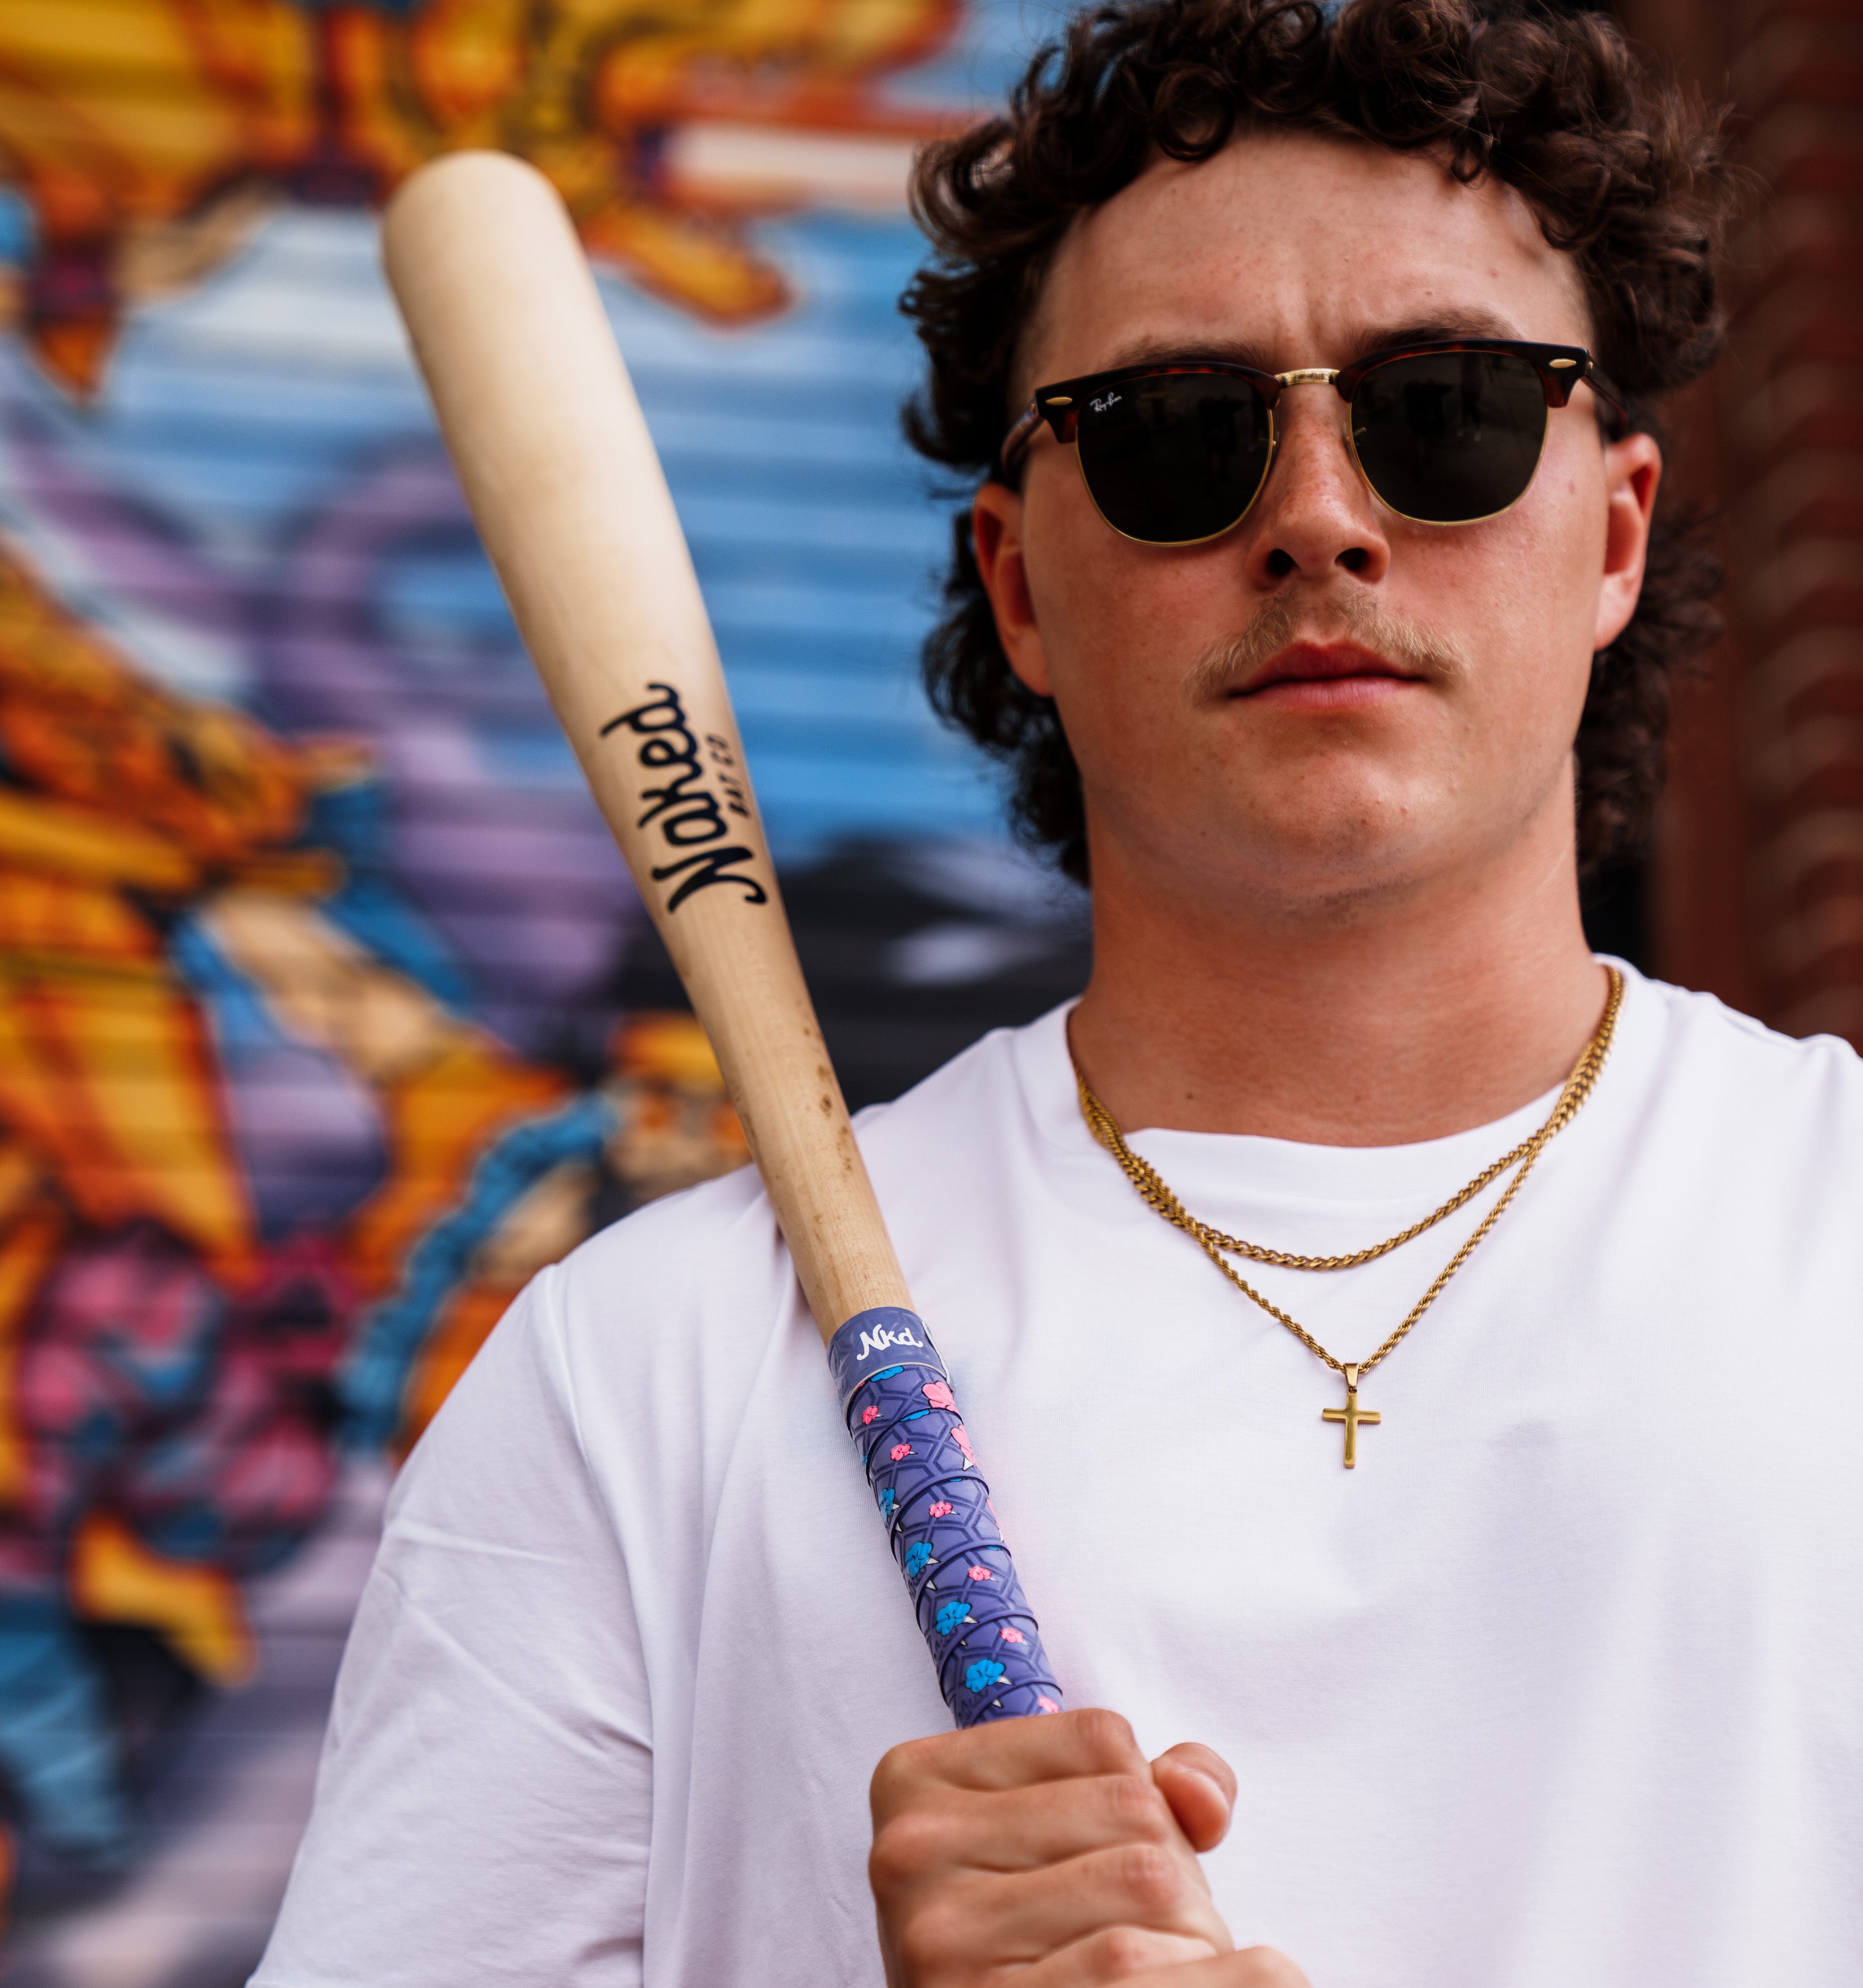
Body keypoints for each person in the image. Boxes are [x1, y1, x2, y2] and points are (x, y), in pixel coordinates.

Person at [253, 2, 1863, 1983]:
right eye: (1179, 434)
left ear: (1611, 528)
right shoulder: (637, 1380)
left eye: (1448, 406)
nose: (1321, 516)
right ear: (1018, 585)